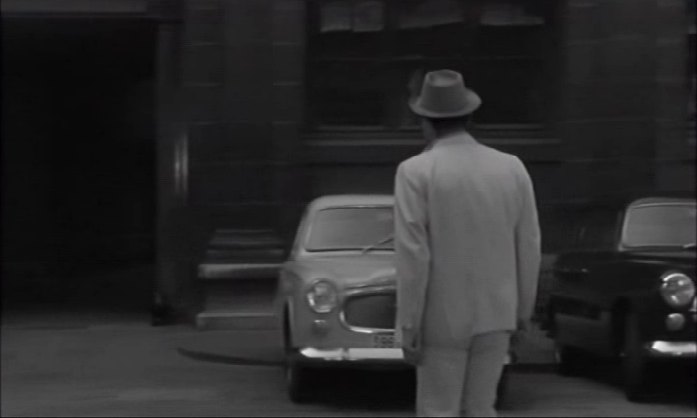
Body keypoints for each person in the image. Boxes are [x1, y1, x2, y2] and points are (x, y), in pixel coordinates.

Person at [394, 69, 541, 417]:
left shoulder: (415, 171)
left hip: (440, 315)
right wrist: (523, 312)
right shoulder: (512, 167)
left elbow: (413, 255)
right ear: (469, 117)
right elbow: (528, 246)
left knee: (438, 409)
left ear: (426, 122)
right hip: (497, 311)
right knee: (481, 407)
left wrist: (409, 324)